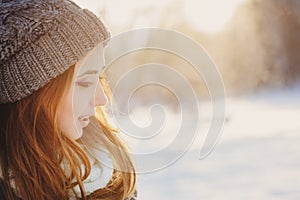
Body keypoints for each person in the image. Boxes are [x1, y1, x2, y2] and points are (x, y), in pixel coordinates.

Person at [0, 0, 137, 199]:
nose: (102, 99)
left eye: (99, 77)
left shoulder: (112, 170)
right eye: (84, 82)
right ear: (34, 94)